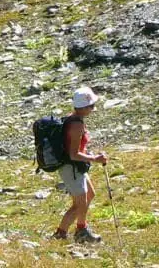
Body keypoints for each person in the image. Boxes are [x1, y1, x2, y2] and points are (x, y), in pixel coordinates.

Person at [54, 86, 108, 243]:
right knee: (79, 205)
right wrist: (95, 159)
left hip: (75, 166)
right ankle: (60, 234)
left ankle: (81, 229)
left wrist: (89, 155)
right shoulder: (77, 125)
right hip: (71, 168)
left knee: (90, 195)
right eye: (91, 106)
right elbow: (73, 154)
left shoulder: (73, 118)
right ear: (83, 107)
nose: (93, 109)